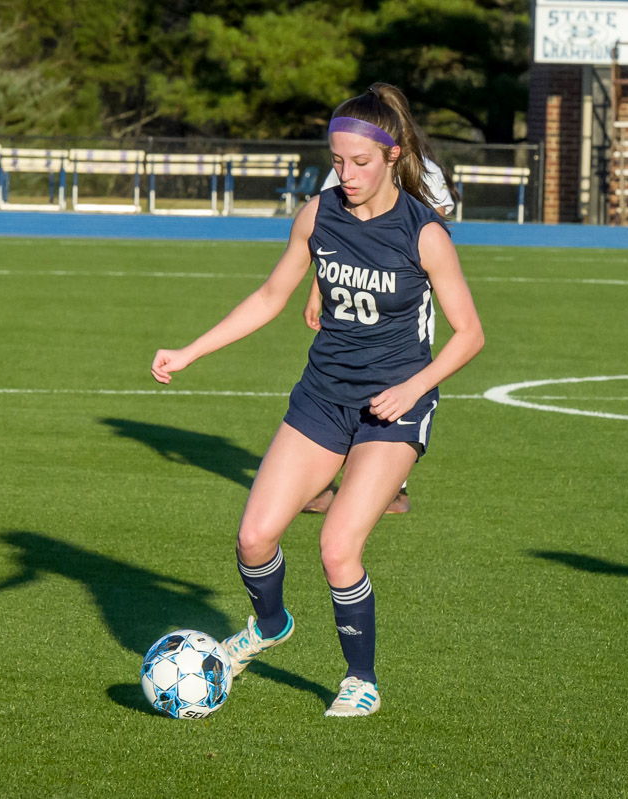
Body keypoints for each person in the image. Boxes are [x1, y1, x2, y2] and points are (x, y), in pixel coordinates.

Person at [150, 83, 483, 717]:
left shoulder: (424, 234)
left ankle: (361, 679)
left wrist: (411, 388)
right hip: (323, 396)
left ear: (393, 156)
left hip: (396, 405)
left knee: (337, 545)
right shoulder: (318, 213)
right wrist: (191, 351)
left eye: (360, 163)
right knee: (253, 537)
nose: (346, 174)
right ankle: (270, 626)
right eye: (337, 161)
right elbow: (272, 295)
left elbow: (470, 334)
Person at [301, 155, 458, 516]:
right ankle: (321, 479)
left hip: (401, 310)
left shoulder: (426, 174)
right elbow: (330, 235)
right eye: (341, 159)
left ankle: (392, 487)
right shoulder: (344, 169)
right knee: (335, 381)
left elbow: (439, 217)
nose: (348, 170)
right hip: (350, 310)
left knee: (391, 388)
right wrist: (317, 290)